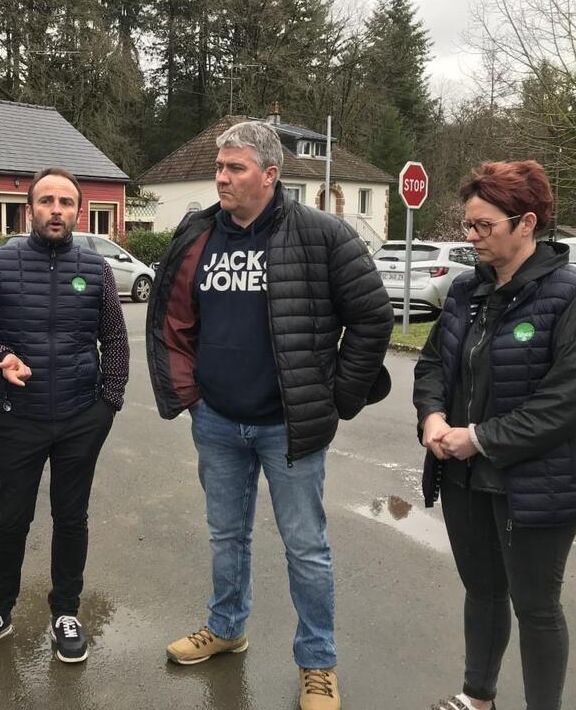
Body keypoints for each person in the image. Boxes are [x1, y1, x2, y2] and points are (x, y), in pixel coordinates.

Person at [146, 121, 392, 710]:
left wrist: (336, 397)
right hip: (218, 421)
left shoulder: (321, 234)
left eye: (235, 168)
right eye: (220, 167)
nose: (221, 178)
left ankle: (317, 663)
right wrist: (191, 393)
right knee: (226, 535)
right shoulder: (199, 231)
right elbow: (172, 318)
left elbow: (373, 317)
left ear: (270, 175)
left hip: (290, 426)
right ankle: (227, 627)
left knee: (306, 547)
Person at [414, 161, 576, 710]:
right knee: (483, 591)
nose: (470, 238)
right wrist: (433, 419)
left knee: (536, 605)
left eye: (482, 227)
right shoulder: (467, 290)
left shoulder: (574, 295)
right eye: (467, 226)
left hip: (539, 482)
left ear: (526, 223)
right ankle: (478, 696)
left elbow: (570, 397)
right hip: (464, 474)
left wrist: (482, 438)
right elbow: (432, 367)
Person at [0, 166, 129, 663]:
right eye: (47, 201)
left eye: (67, 202)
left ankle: (66, 612)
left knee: (71, 517)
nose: (57, 210)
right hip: (20, 417)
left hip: (80, 417)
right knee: (11, 518)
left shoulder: (95, 269)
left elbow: (115, 339)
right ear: (28, 208)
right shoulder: (0, 263)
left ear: (78, 210)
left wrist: (108, 403)